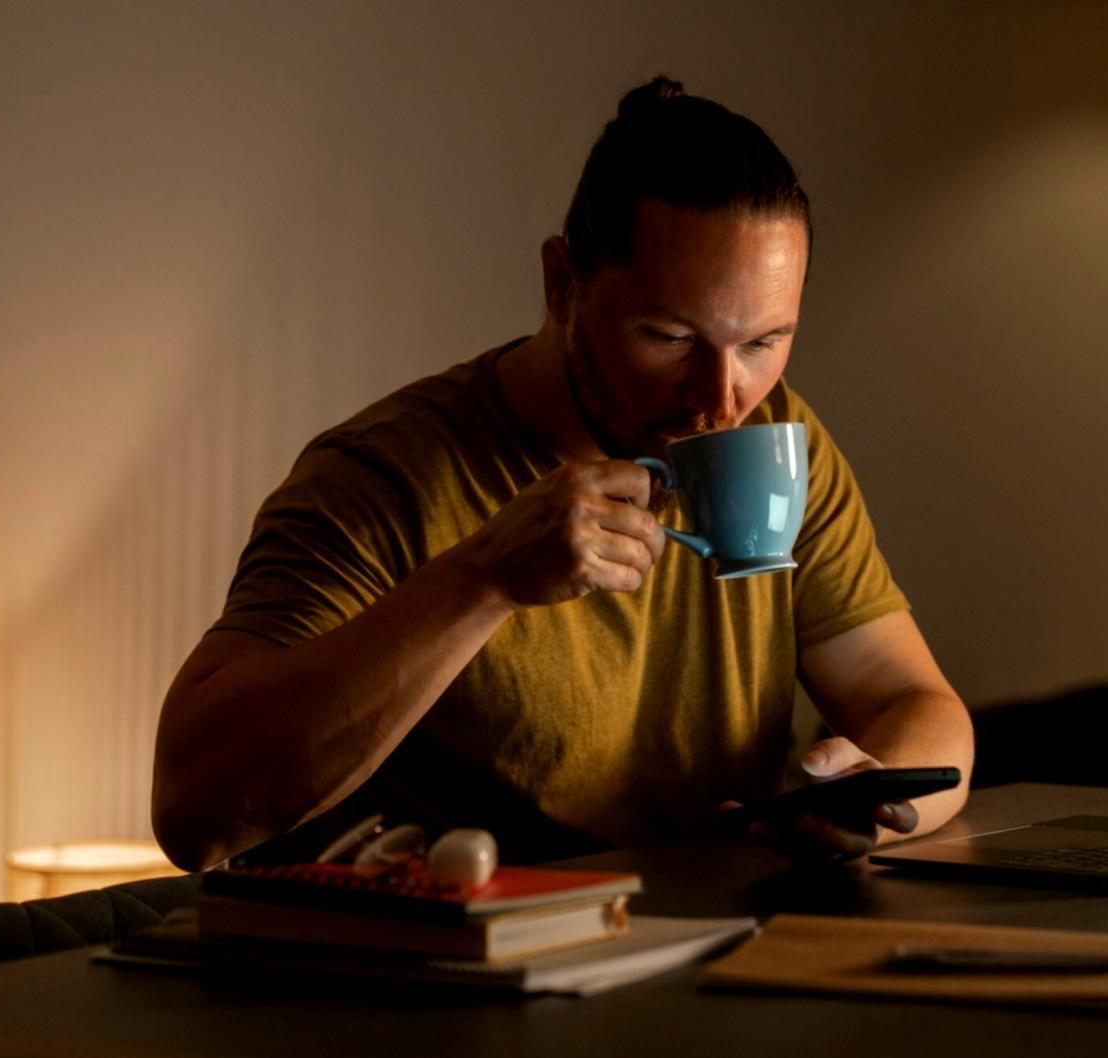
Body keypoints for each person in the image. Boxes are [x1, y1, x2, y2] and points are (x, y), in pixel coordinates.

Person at [151, 77, 973, 873]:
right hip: (462, 983)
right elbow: (193, 813)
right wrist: (483, 581)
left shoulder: (776, 437)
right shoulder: (381, 475)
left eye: (762, 342)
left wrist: (874, 803)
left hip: (713, 964)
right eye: (670, 337)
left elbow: (915, 705)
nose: (719, 400)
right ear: (561, 285)